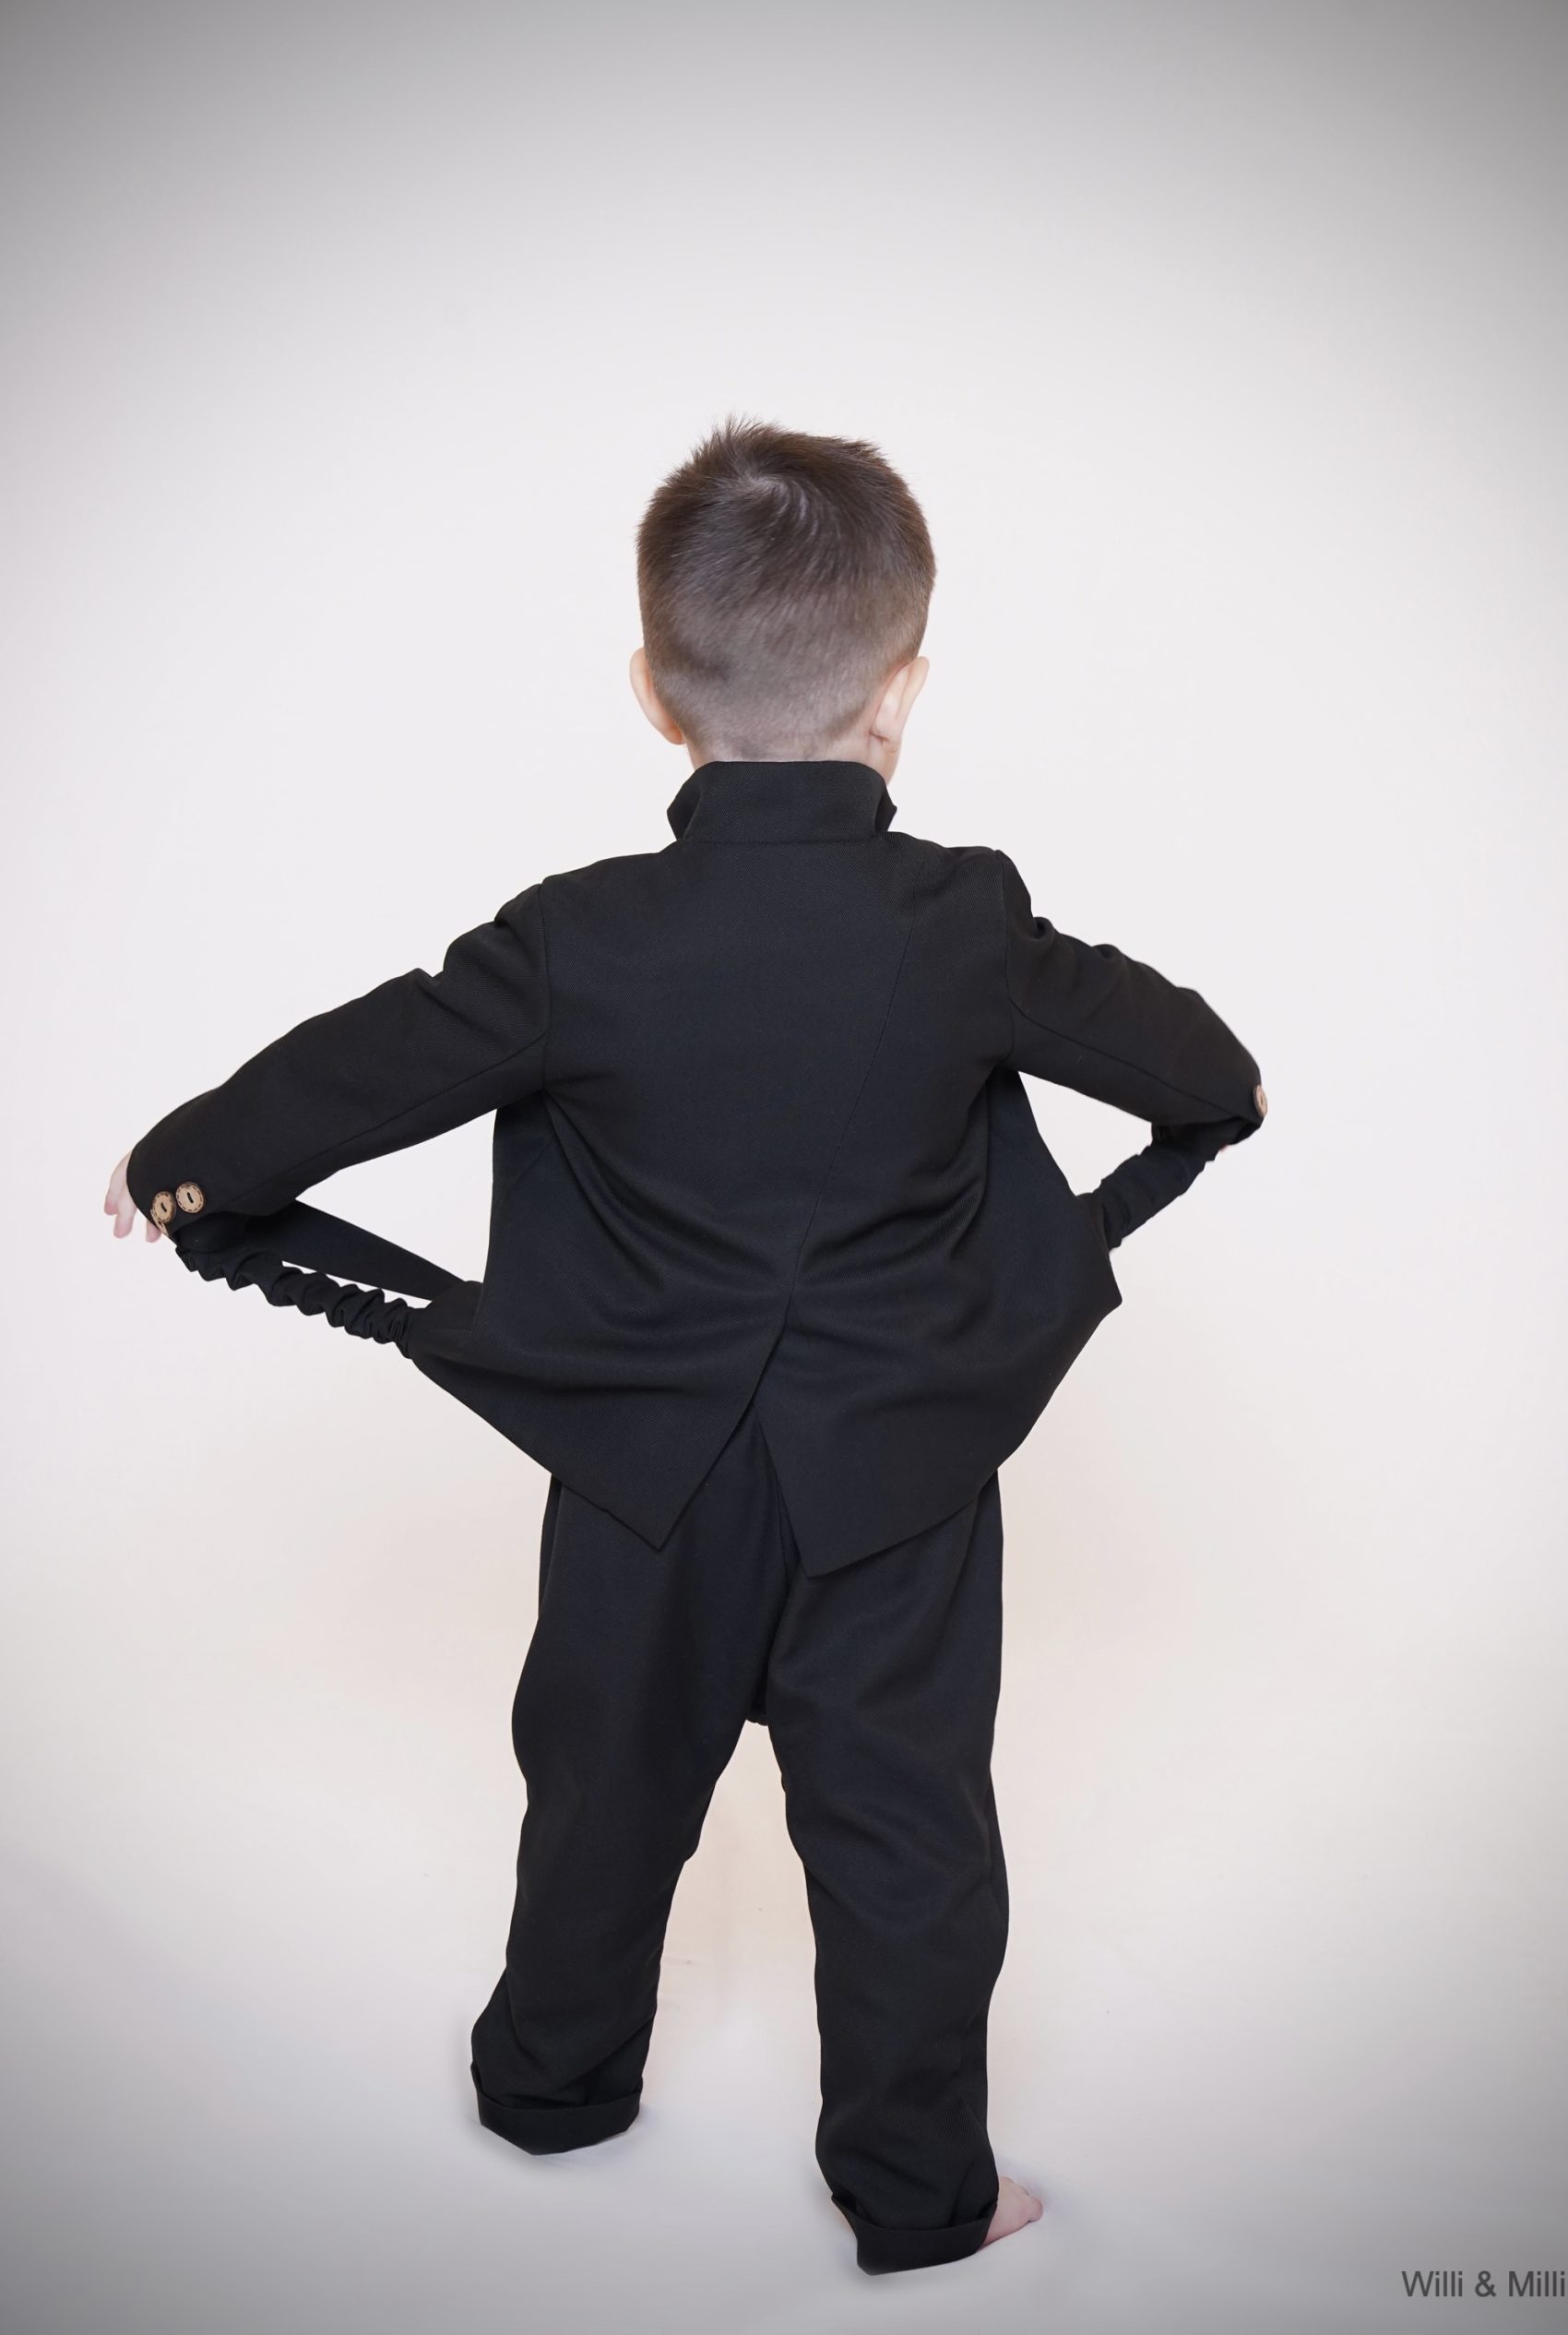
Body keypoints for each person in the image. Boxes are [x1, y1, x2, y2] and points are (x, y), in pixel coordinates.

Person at [105, 418, 1266, 2275]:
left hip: (643, 1479)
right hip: (894, 1485)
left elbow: (355, 1071)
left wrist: (185, 1158)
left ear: (653, 691)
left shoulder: (574, 942)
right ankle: (919, 2196)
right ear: (900, 691)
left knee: (603, 1784)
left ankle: (550, 2090)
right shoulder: (964, 922)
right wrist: (1078, 1217)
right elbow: (1206, 1076)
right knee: (902, 1834)